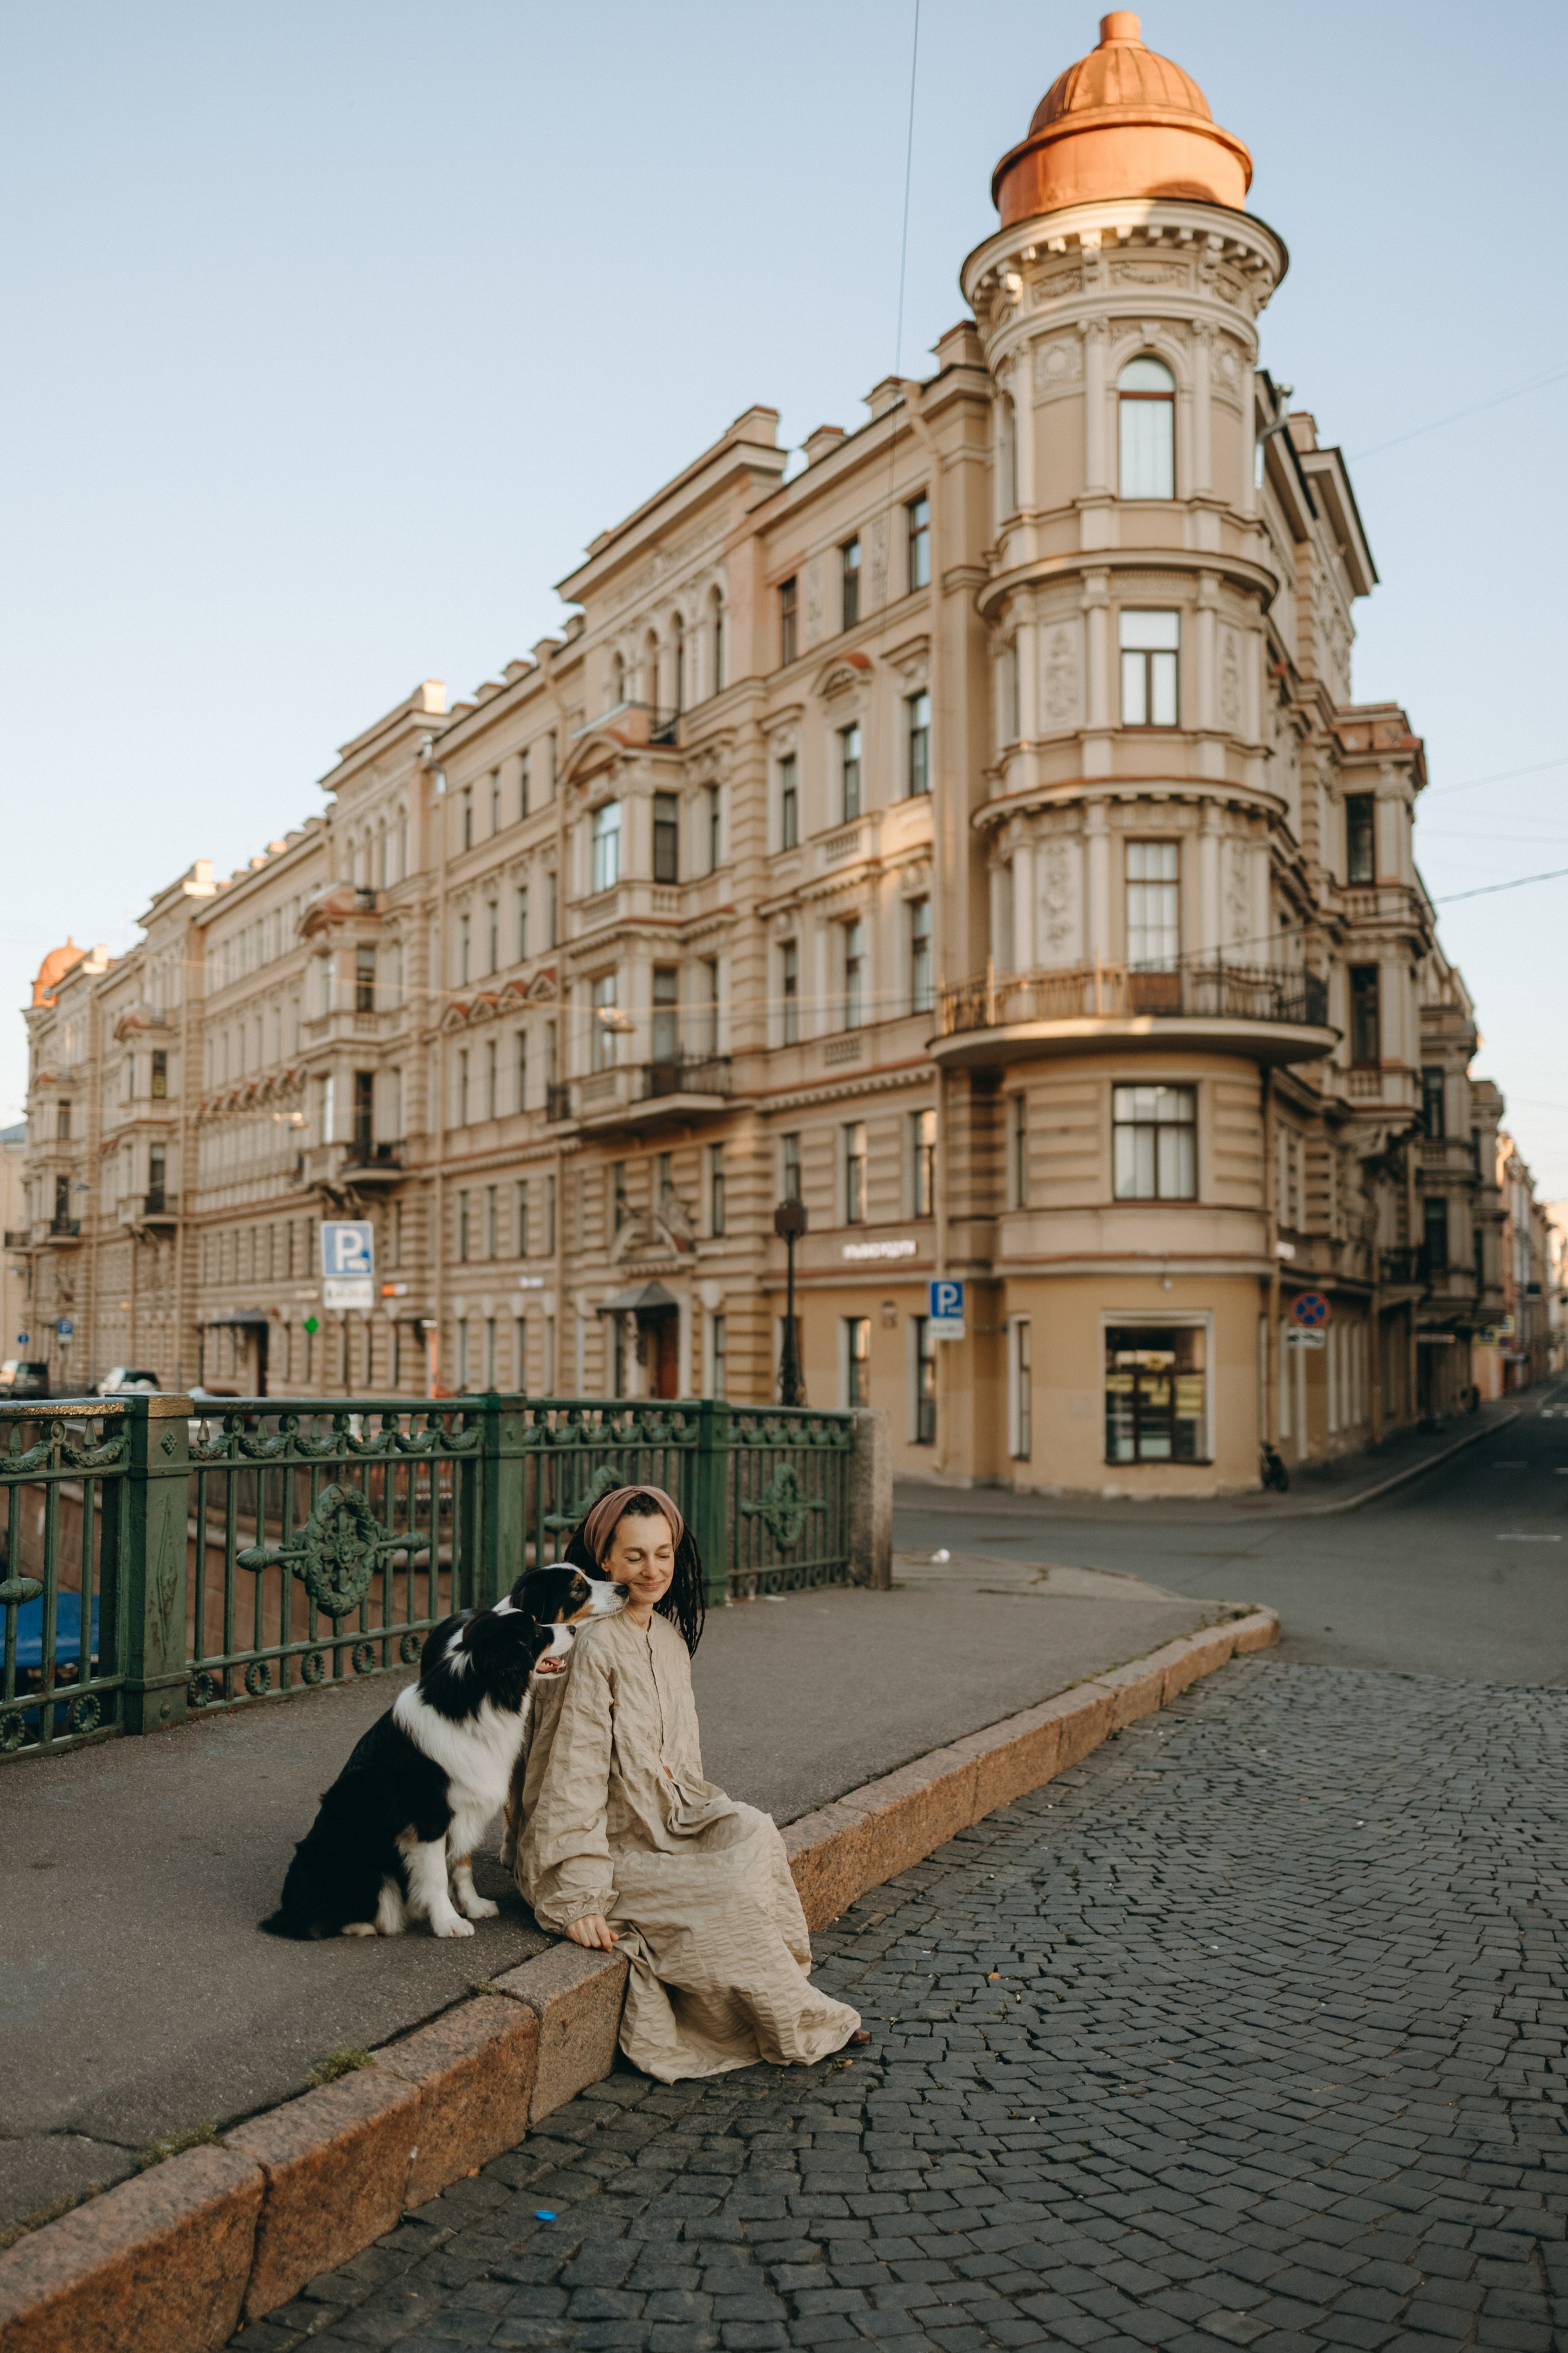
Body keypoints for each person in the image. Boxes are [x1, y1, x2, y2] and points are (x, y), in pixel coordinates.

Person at [505, 1482, 865, 2082]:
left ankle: (784, 1998)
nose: (653, 1569)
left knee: (753, 1832)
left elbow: (682, 1769)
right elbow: (567, 1776)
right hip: (605, 1850)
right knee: (724, 1887)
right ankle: (795, 2016)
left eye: (663, 1553)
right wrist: (577, 1894)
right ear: (606, 1563)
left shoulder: (669, 1641)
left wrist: (706, 1822)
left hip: (667, 1825)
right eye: (636, 1555)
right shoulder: (589, 1646)